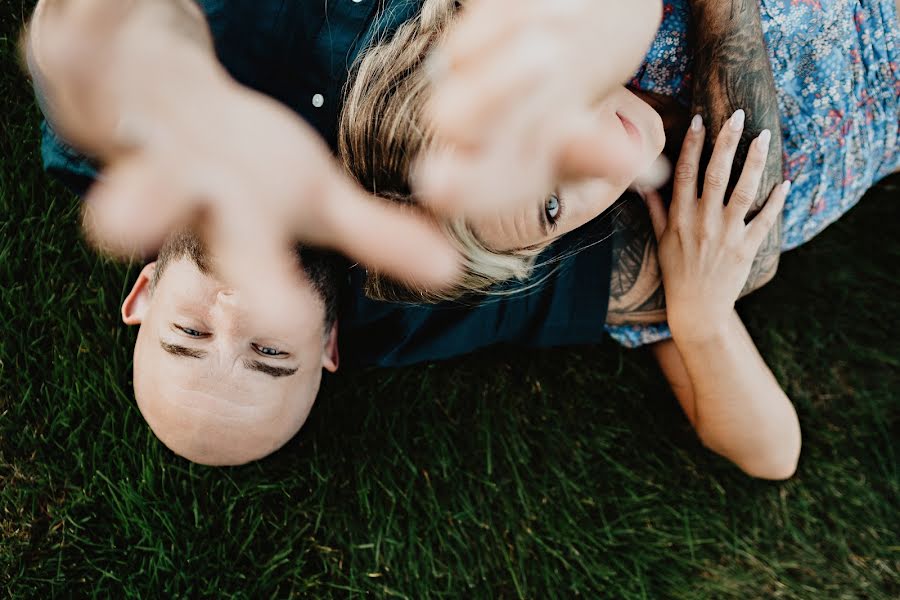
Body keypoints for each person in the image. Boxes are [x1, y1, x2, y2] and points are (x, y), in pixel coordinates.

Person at [23, 0, 663, 465]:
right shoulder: (409, 291)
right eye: (270, 355)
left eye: (188, 334)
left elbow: (80, 37)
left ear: (142, 295)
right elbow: (658, 280)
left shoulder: (124, 160)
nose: (235, 315)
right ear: (329, 347)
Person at [336, 0, 899, 476]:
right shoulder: (665, 249)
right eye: (551, 206)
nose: (590, 167)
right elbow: (772, 453)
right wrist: (701, 322)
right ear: (539, 251)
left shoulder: (610, 23)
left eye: (537, 131)